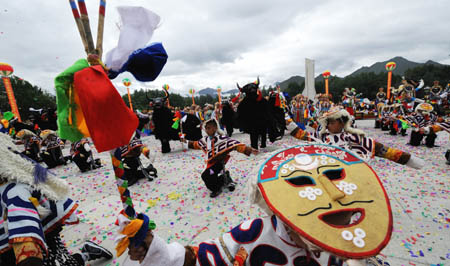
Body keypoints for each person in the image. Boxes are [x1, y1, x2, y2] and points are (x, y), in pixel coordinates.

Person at [123, 143, 396, 265]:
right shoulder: (255, 234)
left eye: (336, 179)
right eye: (302, 183)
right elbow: (204, 258)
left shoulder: (358, 251)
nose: (333, 195)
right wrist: (155, 251)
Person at [0, 133, 113, 266]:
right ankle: (86, 254)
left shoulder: (14, 191)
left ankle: (86, 253)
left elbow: (28, 251)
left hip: (33, 240)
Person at [290, 106, 424, 168]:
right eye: (327, 122)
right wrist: (286, 120)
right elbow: (301, 134)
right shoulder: (321, 137)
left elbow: (385, 151)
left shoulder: (355, 138)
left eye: (332, 122)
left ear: (342, 122)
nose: (329, 125)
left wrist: (409, 159)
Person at [183, 119, 258, 198]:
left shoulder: (222, 138)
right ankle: (225, 178)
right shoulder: (205, 140)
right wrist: (185, 141)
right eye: (206, 128)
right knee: (211, 175)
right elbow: (195, 144)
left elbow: (235, 146)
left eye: (209, 128)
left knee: (206, 175)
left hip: (219, 163)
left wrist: (250, 150)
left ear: (215, 128)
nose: (207, 130)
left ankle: (216, 188)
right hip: (210, 164)